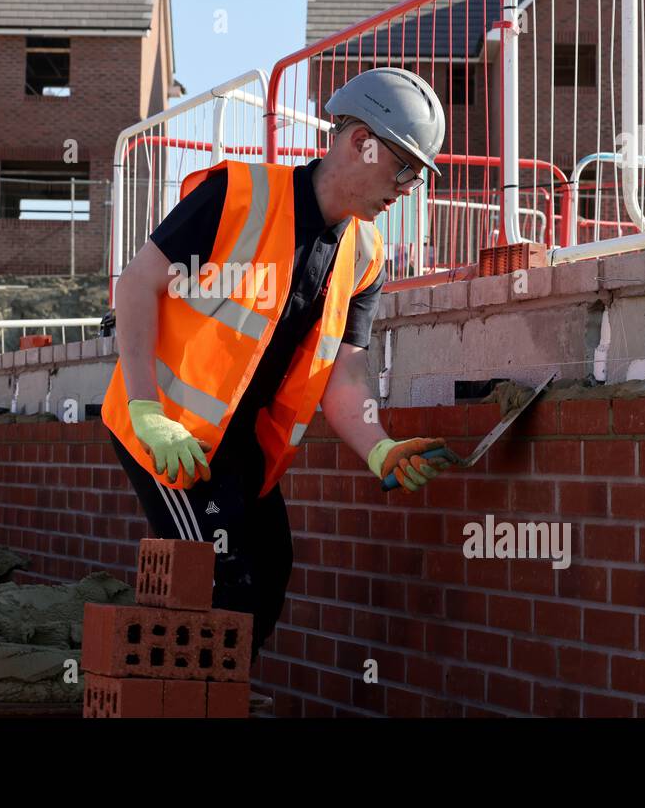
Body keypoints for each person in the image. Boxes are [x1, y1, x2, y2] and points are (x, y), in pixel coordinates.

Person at [103, 67, 452, 657]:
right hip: (166, 430)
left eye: (419, 173)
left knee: (267, 574)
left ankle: (212, 695)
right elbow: (137, 286)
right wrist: (147, 411)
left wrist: (380, 448)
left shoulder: (364, 256)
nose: (410, 185)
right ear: (358, 140)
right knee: (216, 582)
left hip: (237, 445)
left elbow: (344, 379)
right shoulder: (237, 196)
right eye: (405, 165)